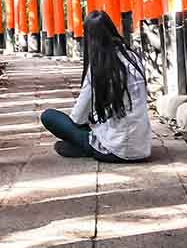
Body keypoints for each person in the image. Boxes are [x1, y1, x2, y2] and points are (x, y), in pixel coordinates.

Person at [40, 10, 151, 162]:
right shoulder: (133, 58)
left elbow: (78, 119)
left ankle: (85, 147)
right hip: (142, 148)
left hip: (114, 149)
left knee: (49, 116)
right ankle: (82, 146)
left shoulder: (98, 69)